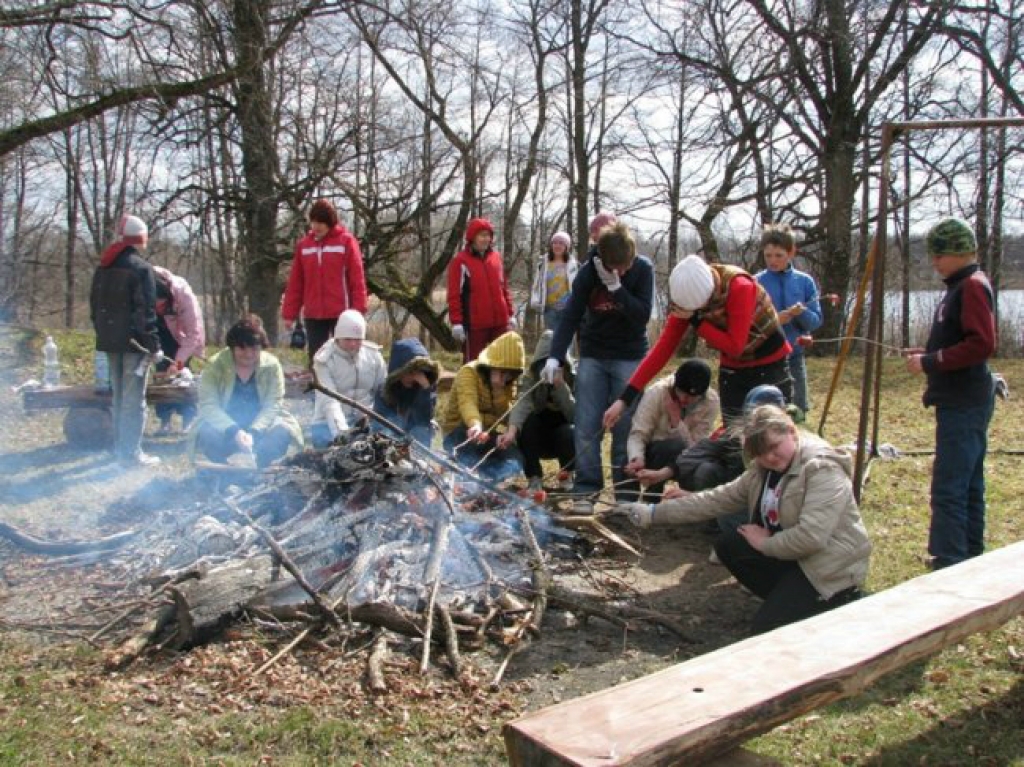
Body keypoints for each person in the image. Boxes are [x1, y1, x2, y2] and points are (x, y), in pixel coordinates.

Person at [621, 405, 871, 635]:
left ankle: (835, 602)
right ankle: (787, 600)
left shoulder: (821, 469)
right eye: (761, 454)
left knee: (765, 633)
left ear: (792, 432)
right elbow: (715, 500)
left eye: (775, 447)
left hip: (828, 570)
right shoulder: (762, 471)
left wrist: (765, 543)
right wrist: (652, 513)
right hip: (795, 558)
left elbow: (811, 537)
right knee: (730, 545)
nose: (770, 458)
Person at [541, 219, 655, 513]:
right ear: (602, 259)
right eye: (615, 268)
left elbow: (642, 315)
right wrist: (555, 355)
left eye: (624, 267)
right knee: (587, 425)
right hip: (593, 353)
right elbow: (570, 316)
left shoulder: (642, 270)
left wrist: (617, 288)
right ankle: (586, 490)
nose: (622, 272)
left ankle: (625, 496)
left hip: (630, 356)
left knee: (625, 427)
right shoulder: (588, 272)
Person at [604, 253, 792, 431]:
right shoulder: (686, 305)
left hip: (770, 364)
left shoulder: (740, 286)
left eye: (699, 308)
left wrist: (696, 320)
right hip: (734, 371)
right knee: (735, 439)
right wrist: (625, 399)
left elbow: (735, 346)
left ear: (708, 296)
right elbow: (661, 352)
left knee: (772, 432)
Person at [905, 217, 996, 570]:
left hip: (964, 401)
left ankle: (949, 560)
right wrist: (927, 352)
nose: (935, 262)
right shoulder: (960, 286)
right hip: (960, 399)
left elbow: (981, 343)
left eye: (939, 254)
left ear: (959, 252)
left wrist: (931, 361)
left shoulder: (971, 286)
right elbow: (960, 337)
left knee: (950, 487)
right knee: (968, 482)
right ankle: (970, 555)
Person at [90, 214, 162, 467]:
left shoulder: (104, 267)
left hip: (110, 341)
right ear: (140, 239)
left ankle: (120, 449)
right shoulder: (141, 269)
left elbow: (94, 307)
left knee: (119, 397)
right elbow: (145, 312)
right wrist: (153, 344)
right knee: (134, 400)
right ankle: (131, 454)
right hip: (135, 345)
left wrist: (103, 333)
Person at [191, 316, 303, 469]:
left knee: (281, 433)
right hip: (225, 426)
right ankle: (221, 472)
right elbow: (209, 405)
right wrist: (235, 431)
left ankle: (262, 469)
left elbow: (273, 404)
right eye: (242, 348)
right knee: (207, 433)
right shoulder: (215, 365)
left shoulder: (271, 365)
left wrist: (254, 432)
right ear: (232, 347)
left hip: (261, 426)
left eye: (255, 349)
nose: (249, 354)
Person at [282, 199, 368, 366]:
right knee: (317, 359)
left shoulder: (346, 242)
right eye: (313, 222)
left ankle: (345, 389)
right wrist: (289, 313)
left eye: (320, 222)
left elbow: (357, 280)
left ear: (330, 222)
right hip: (313, 313)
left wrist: (358, 311)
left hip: (341, 313)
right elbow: (295, 283)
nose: (316, 226)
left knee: (344, 357)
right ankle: (319, 388)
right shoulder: (304, 246)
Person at [622, 359, 719, 499]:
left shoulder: (711, 402)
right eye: (682, 392)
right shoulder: (657, 393)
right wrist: (637, 457)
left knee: (690, 457)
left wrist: (677, 422)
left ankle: (688, 505)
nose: (685, 399)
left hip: (685, 456)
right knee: (628, 457)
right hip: (653, 450)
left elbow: (696, 448)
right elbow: (638, 433)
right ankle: (627, 503)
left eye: (692, 396)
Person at [441, 331, 526, 482]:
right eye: (503, 372)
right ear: (493, 364)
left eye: (511, 374)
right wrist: (475, 424)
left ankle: (487, 486)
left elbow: (507, 417)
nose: (507, 377)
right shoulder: (469, 372)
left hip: (486, 435)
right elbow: (467, 402)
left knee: (515, 460)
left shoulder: (509, 382)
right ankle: (466, 478)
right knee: (468, 451)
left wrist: (498, 390)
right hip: (461, 432)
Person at [754, 224, 822, 413]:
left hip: (794, 355)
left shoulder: (804, 282)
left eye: (778, 255)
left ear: (791, 253)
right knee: (765, 410)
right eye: (768, 256)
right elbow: (749, 324)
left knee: (797, 410)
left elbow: (816, 321)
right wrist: (775, 320)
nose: (773, 261)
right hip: (765, 356)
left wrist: (802, 313)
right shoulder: (756, 282)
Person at [508, 330, 576, 492]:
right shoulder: (531, 378)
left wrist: (560, 388)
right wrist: (512, 430)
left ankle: (567, 475)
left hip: (563, 438)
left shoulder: (575, 378)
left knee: (569, 432)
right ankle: (534, 477)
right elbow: (522, 404)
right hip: (539, 438)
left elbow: (575, 415)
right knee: (526, 424)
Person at [310, 310, 387, 448]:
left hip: (365, 423)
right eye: (347, 339)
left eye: (357, 340)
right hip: (326, 424)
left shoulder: (374, 356)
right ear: (337, 336)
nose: (352, 344)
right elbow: (329, 401)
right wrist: (343, 435)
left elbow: (383, 392)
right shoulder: (324, 360)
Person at [447, 217, 516, 363]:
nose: (486, 239)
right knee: (473, 365)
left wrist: (510, 313)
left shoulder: (496, 258)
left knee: (502, 363)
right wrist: (456, 322)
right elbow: (454, 294)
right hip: (475, 324)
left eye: (488, 235)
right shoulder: (461, 261)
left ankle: (499, 387)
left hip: (500, 322)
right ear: (472, 237)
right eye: (482, 235)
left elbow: (504, 288)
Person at [152, 265, 206, 434]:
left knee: (183, 375)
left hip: (182, 338)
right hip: (157, 334)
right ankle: (164, 420)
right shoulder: (141, 283)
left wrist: (178, 362)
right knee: (161, 374)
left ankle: (188, 418)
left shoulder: (183, 293)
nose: (158, 308)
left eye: (160, 305)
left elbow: (193, 334)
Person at [373, 337, 441, 447]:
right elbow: (380, 422)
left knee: (421, 430)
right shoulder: (385, 390)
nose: (415, 376)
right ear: (399, 372)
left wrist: (425, 389)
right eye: (410, 372)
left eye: (419, 372)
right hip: (389, 437)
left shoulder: (425, 387)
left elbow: (423, 419)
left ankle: (421, 461)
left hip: (415, 437)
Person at [529, 231, 579, 331]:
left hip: (567, 310)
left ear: (566, 247)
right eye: (555, 243)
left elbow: (577, 287)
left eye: (561, 243)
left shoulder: (573, 264)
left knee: (566, 342)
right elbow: (537, 285)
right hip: (549, 309)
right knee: (551, 340)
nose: (557, 245)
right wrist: (535, 300)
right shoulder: (543, 263)